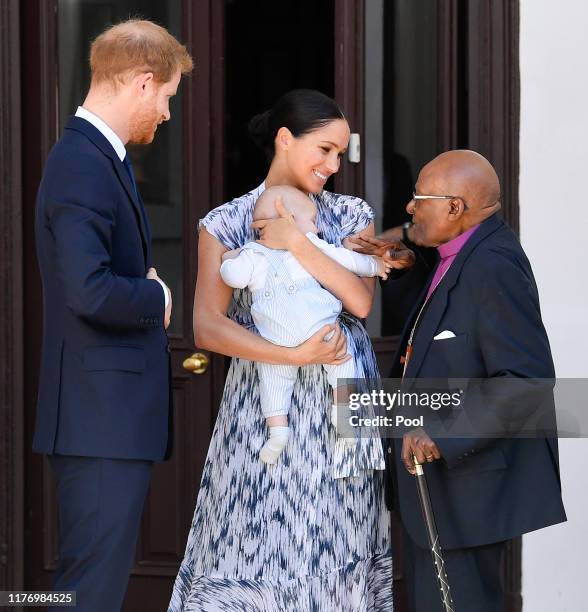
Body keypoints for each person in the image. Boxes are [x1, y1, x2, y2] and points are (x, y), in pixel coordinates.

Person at [169, 89, 412, 611]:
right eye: (323, 149)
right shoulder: (227, 222)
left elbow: (360, 301)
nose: (332, 165)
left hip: (341, 406)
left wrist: (298, 242)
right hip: (264, 407)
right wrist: (293, 357)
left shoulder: (348, 213)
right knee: (255, 541)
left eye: (338, 154)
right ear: (284, 139)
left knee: (337, 544)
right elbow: (207, 329)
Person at [355, 150, 567, 611]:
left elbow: (527, 381)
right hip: (436, 487)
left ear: (455, 207)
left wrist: (444, 433)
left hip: (466, 489)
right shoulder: (457, 254)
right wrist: (407, 265)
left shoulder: (494, 265)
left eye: (419, 198)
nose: (409, 208)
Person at [33, 20, 193, 612]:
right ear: (144, 84)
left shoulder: (99, 157)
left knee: (86, 585)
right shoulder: (82, 161)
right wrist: (158, 298)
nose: (168, 116)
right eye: (169, 99)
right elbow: (89, 291)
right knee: (85, 592)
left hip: (103, 419)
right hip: (98, 421)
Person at [220, 184, 392, 464]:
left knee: (273, 383)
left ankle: (277, 432)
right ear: (288, 218)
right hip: (318, 326)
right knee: (342, 359)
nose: (318, 228)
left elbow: (234, 278)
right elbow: (349, 260)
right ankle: (344, 415)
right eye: (312, 221)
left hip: (276, 337)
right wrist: (376, 266)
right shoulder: (313, 245)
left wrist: (228, 258)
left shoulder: (252, 254)